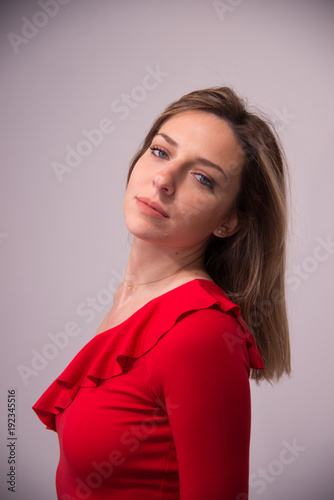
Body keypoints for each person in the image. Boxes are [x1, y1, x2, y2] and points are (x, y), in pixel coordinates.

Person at [33, 86, 291, 500]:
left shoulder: (201, 331)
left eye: (203, 178)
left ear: (227, 221)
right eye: (160, 151)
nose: (163, 179)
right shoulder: (130, 298)